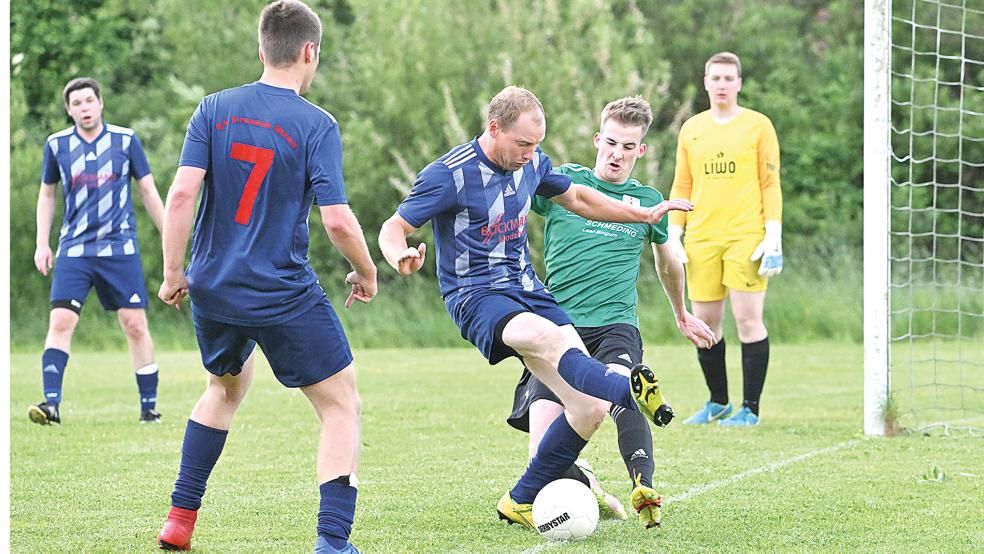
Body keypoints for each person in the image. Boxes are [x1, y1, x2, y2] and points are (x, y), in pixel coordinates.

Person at [378, 85, 695, 529]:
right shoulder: (449, 174)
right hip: (477, 295)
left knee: (588, 409)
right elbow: (393, 228)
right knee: (543, 338)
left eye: (537, 145)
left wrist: (640, 215)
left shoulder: (534, 164)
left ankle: (520, 500)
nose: (531, 154)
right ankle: (628, 391)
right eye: (523, 144)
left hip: (527, 288)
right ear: (494, 129)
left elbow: (581, 199)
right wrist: (400, 256)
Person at [154, 2, 376, 552]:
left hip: (212, 286)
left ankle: (179, 521)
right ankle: (332, 540)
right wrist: (366, 272)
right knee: (340, 403)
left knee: (224, 388)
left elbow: (181, 193)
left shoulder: (213, 108)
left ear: (261, 50)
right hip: (280, 290)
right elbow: (337, 220)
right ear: (310, 52)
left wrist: (174, 271)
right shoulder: (317, 124)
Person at [506, 96, 715, 528]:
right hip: (559, 329)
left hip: (615, 326)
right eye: (612, 143)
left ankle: (643, 485)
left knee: (624, 387)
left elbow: (667, 261)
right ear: (598, 139)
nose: (617, 154)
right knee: (542, 454)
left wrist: (681, 313)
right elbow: (516, 200)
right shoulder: (567, 184)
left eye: (629, 146)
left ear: (641, 151)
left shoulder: (648, 201)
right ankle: (586, 484)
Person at [30, 76, 166, 426]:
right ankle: (51, 405)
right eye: (77, 103)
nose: (84, 108)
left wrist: (170, 237)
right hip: (75, 248)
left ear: (100, 103)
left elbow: (148, 191)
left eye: (89, 100)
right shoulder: (57, 145)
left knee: (134, 324)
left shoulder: (126, 141)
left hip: (119, 247)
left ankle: (149, 407)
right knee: (61, 320)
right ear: (69, 110)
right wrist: (42, 243)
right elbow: (47, 194)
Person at [667, 52, 784, 427]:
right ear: (705, 82)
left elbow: (770, 182)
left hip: (746, 236)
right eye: (715, 78)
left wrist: (773, 233)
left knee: (748, 321)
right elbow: (683, 183)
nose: (721, 84)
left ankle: (750, 408)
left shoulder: (758, 126)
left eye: (728, 78)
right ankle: (717, 402)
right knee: (705, 324)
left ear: (739, 83)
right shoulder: (692, 129)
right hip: (701, 237)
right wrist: (674, 230)